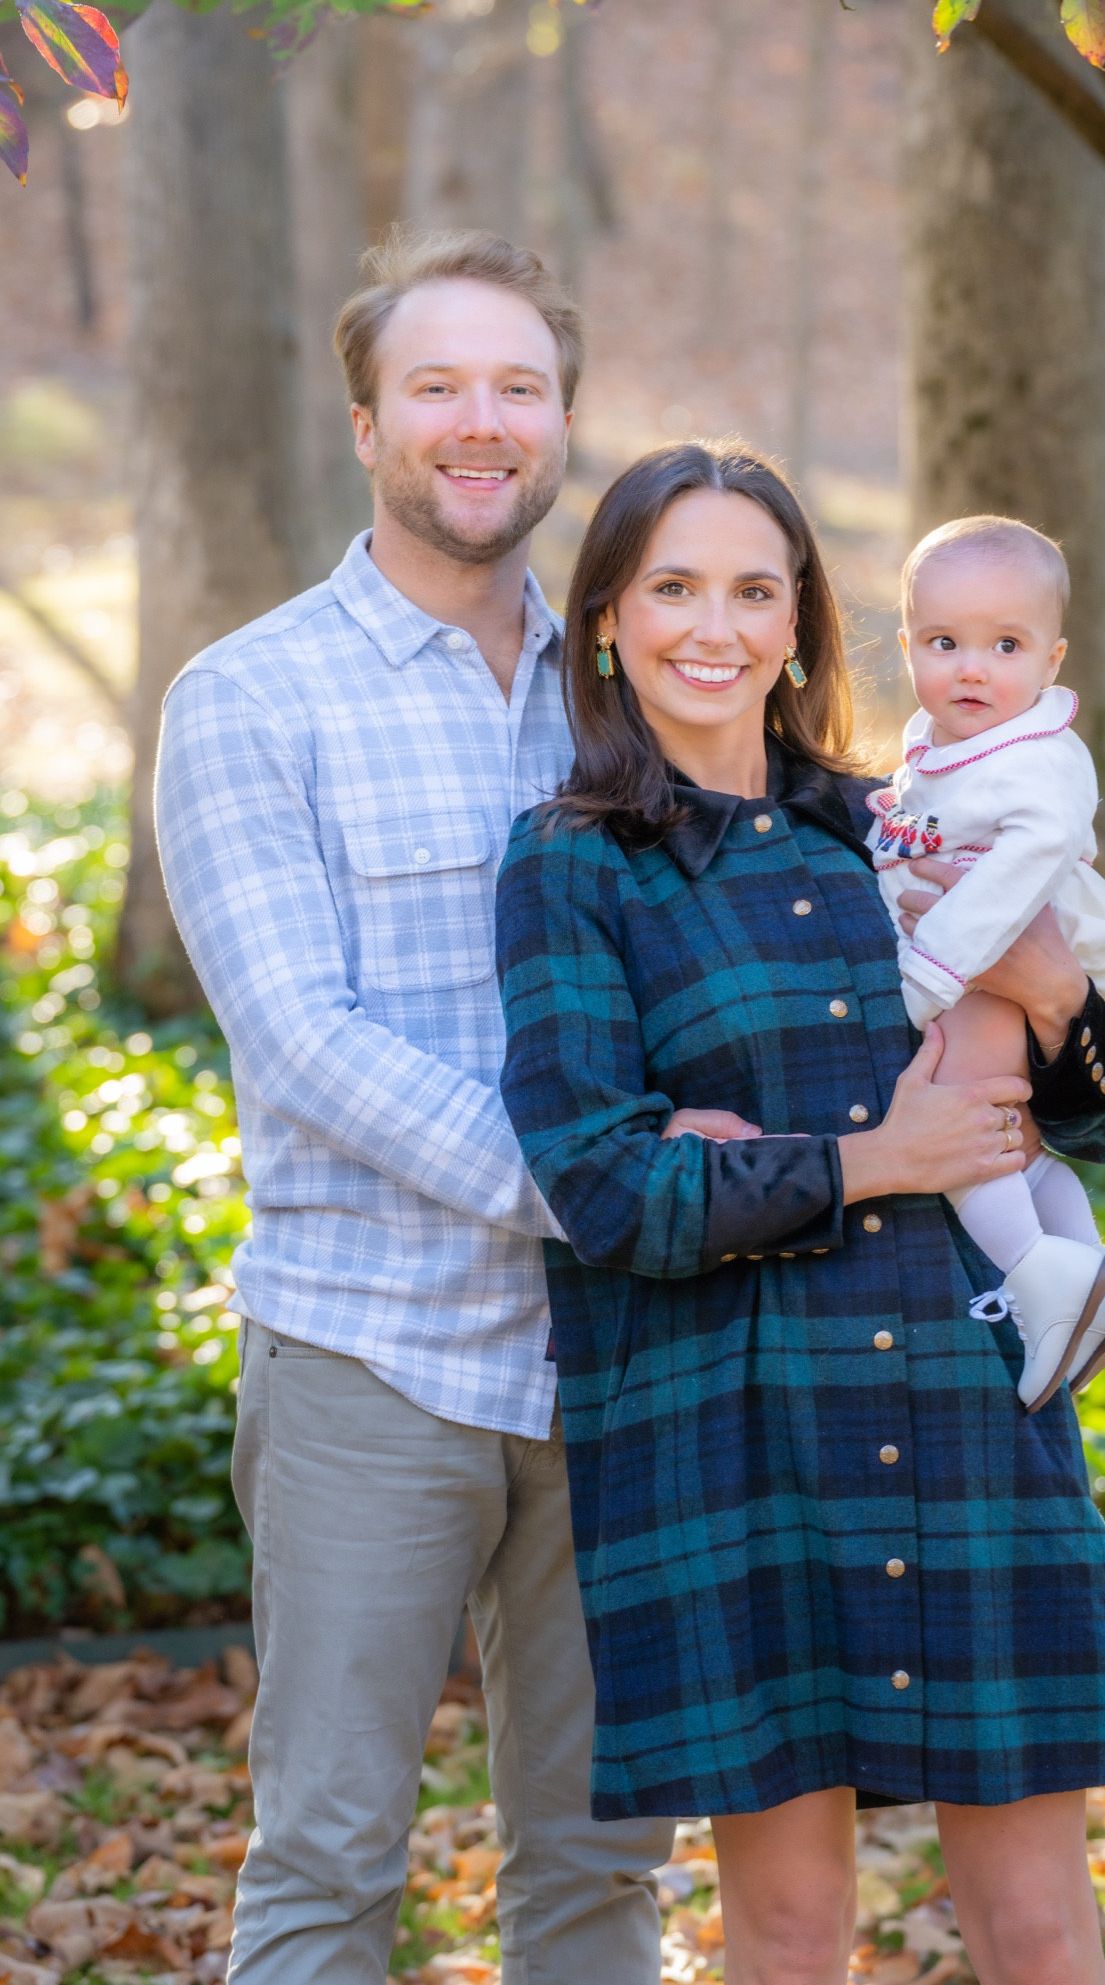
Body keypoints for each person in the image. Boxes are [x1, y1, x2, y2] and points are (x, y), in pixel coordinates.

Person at [496, 440, 1105, 1985]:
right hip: (736, 1439)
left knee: (1044, 1933)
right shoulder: (572, 866)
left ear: (800, 623)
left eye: (752, 588)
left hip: (963, 1409)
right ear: (606, 618)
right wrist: (875, 1156)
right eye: (670, 588)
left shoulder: (907, 824)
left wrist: (1051, 988)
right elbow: (603, 1188)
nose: (711, 628)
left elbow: (1101, 1115)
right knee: (787, 1935)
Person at [154, 228, 679, 1985]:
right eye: (440, 384)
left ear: (559, 423)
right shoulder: (251, 695)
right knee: (326, 1858)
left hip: (617, 1370)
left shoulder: (635, 696)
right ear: (369, 414)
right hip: (373, 1358)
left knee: (604, 1873)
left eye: (518, 385)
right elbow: (303, 1039)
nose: (482, 420)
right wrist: (610, 1182)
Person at [866, 514, 1105, 1413]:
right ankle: (1096, 1283)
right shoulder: (939, 738)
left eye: (1006, 645)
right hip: (978, 965)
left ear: (1053, 659)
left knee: (964, 1130)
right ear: (908, 641)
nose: (971, 668)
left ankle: (1042, 1282)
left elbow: (1021, 871)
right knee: (1016, 1149)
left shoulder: (1041, 757)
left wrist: (933, 974)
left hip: (990, 960)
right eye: (944, 641)